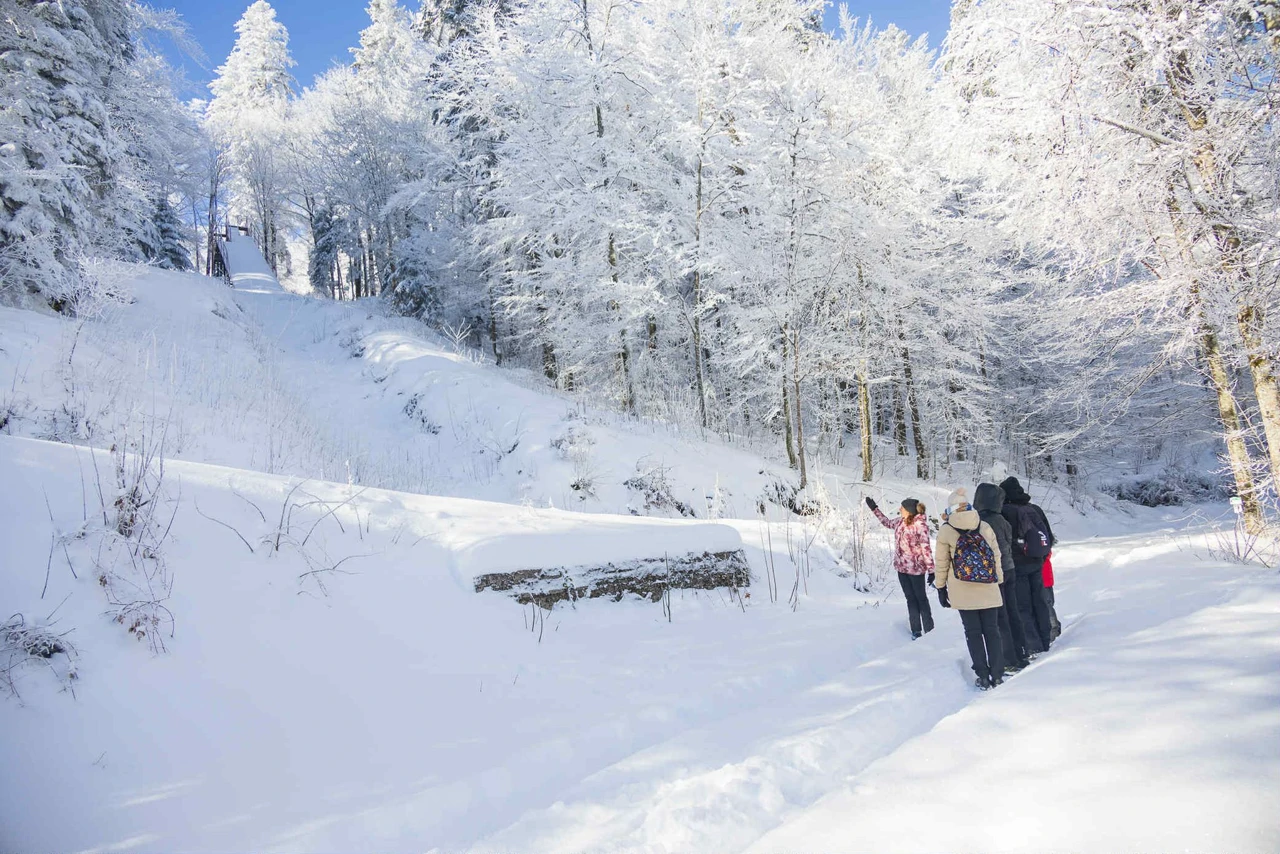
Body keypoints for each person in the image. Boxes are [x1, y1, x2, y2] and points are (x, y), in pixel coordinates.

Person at [934, 488, 1005, 690]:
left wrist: (941, 588)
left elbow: (942, 562)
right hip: (988, 586)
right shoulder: (984, 525)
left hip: (962, 589)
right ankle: (998, 674)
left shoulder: (946, 530)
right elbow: (996, 554)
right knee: (992, 631)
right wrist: (998, 580)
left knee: (973, 632)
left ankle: (982, 675)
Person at [973, 482, 1031, 672]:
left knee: (1000, 617)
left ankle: (1009, 659)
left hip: (996, 573)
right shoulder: (1002, 520)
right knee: (1012, 612)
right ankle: (1021, 651)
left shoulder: (980, 522)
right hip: (1010, 568)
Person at [999, 476, 1056, 656]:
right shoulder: (1034, 509)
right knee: (1039, 601)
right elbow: (1048, 536)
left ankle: (1032, 645)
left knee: (1023, 606)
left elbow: (1005, 540)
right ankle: (1046, 640)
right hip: (1037, 562)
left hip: (1017, 565)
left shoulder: (1004, 511)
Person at [865, 495, 935, 639]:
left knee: (921, 599)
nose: (900, 509)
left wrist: (932, 571)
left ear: (908, 510)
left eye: (902, 508)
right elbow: (886, 522)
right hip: (902, 569)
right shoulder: (900, 522)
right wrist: (874, 508)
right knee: (910, 599)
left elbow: (926, 549)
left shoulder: (920, 526)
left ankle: (930, 631)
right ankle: (916, 630)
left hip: (916, 570)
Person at [1043, 552, 1062, 641]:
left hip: (1042, 575)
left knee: (1047, 605)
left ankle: (1053, 629)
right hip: (1045, 575)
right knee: (1048, 603)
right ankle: (1054, 628)